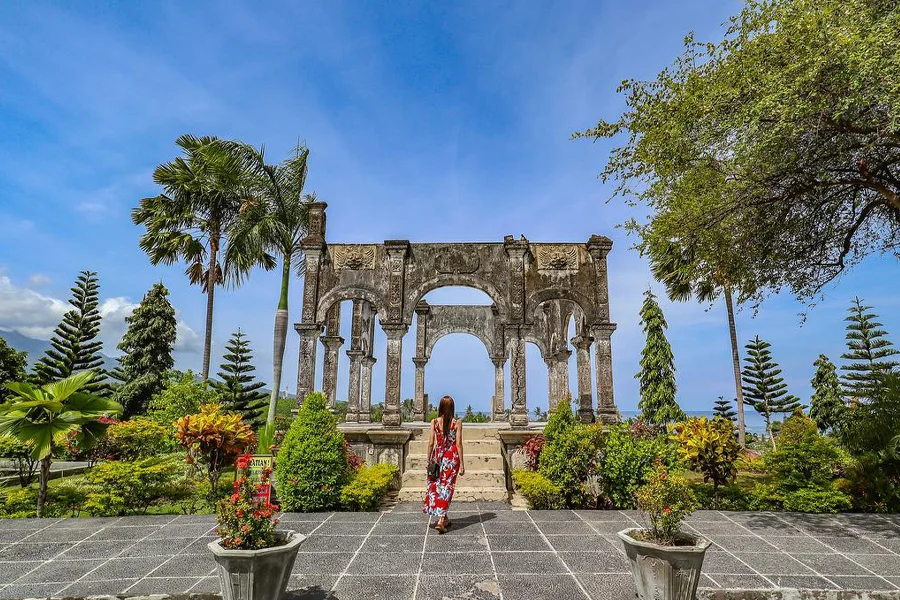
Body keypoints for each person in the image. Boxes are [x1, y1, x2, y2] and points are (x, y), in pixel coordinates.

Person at [422, 395, 465, 533]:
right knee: (447, 487)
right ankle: (442, 520)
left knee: (438, 486)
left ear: (440, 407)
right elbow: (458, 444)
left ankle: (443, 517)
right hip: (451, 458)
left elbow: (430, 443)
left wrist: (428, 460)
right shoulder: (456, 422)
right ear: (452, 408)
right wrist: (462, 464)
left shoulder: (434, 422)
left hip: (438, 456)